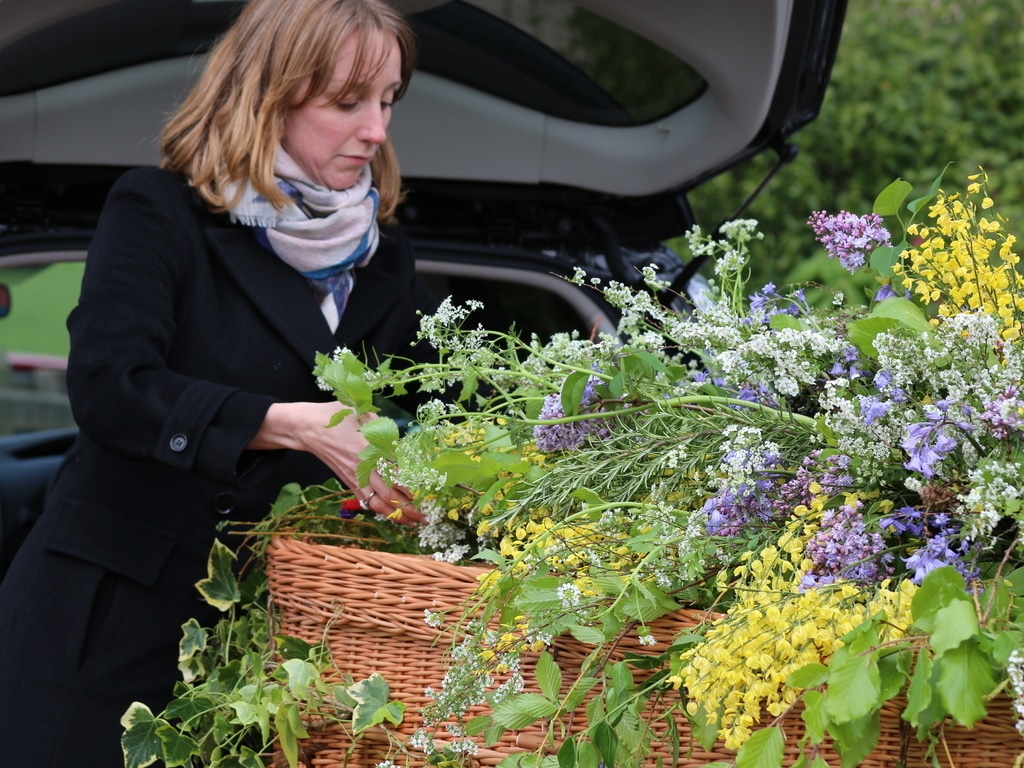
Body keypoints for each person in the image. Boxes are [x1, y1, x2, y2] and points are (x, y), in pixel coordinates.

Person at [0, 0, 436, 763]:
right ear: (268, 92)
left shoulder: (385, 258)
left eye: (388, 101)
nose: (376, 130)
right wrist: (291, 423)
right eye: (347, 102)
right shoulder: (158, 211)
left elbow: (425, 415)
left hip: (275, 647)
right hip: (109, 629)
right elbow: (110, 387)